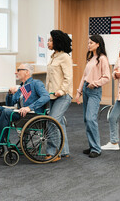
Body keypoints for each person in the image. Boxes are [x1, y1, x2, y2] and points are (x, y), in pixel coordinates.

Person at [0, 63, 50, 155]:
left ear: (27, 72)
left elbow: (46, 97)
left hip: (32, 114)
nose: (16, 72)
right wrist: (10, 93)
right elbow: (10, 104)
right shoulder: (22, 86)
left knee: (6, 112)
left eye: (18, 70)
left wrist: (29, 107)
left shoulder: (36, 83)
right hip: (21, 113)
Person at [75, 35, 110, 158]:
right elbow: (84, 77)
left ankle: (96, 148)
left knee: (91, 119)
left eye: (91, 43)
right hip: (86, 89)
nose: (89, 45)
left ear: (98, 44)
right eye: (88, 42)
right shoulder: (90, 59)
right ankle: (92, 145)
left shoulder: (103, 59)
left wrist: (94, 83)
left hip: (94, 90)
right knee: (86, 119)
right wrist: (78, 92)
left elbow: (106, 77)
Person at [45, 30, 73, 162]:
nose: (48, 42)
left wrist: (61, 90)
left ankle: (53, 152)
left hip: (63, 96)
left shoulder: (65, 57)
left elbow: (68, 78)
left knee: (52, 121)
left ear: (57, 41)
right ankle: (64, 151)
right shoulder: (53, 56)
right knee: (59, 123)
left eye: (50, 40)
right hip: (52, 96)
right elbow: (50, 78)